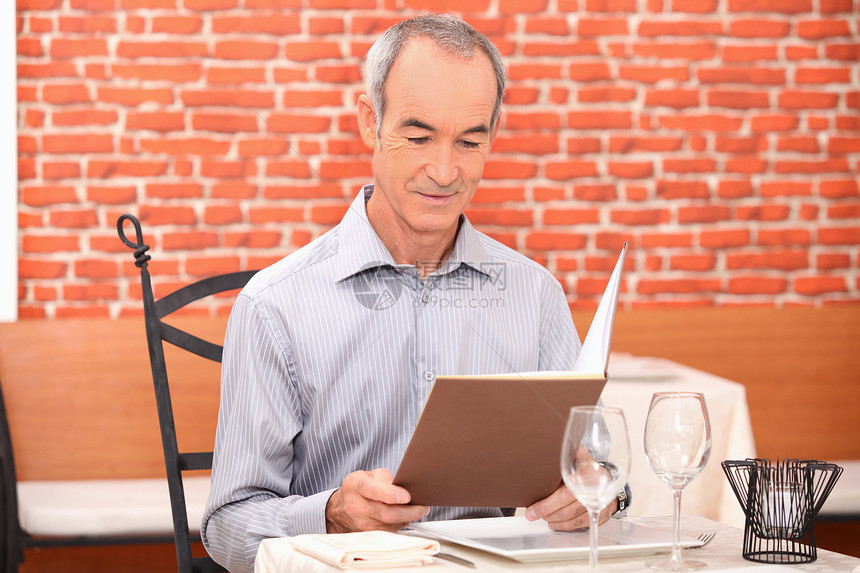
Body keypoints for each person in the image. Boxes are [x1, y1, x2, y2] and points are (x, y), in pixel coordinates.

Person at [202, 14, 626, 573]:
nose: (444, 170)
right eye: (419, 136)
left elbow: (601, 472)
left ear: (492, 137)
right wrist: (331, 513)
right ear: (369, 122)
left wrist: (595, 495)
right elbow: (227, 527)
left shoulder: (535, 295)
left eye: (470, 141)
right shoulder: (275, 305)